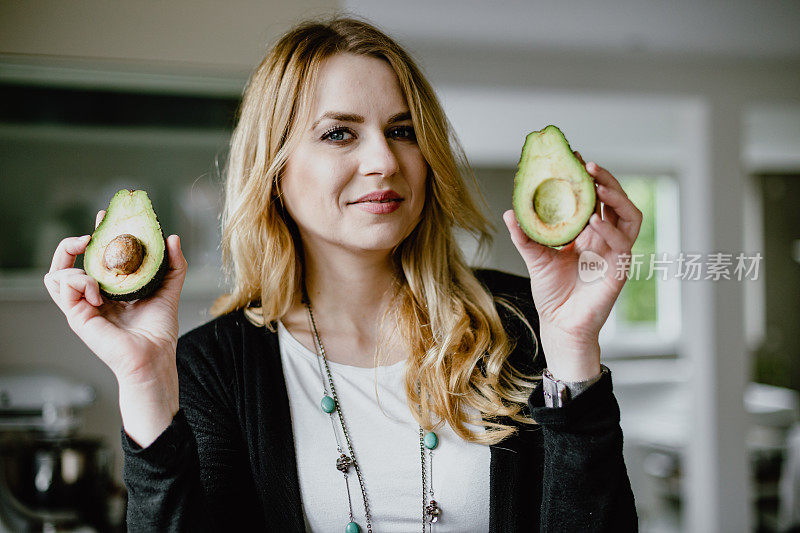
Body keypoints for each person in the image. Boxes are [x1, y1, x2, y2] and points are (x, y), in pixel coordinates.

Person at [43, 15, 641, 533]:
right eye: (339, 133)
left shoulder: (519, 321)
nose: (384, 161)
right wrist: (147, 380)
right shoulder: (213, 367)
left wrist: (572, 347)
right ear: (275, 168)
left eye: (403, 131)